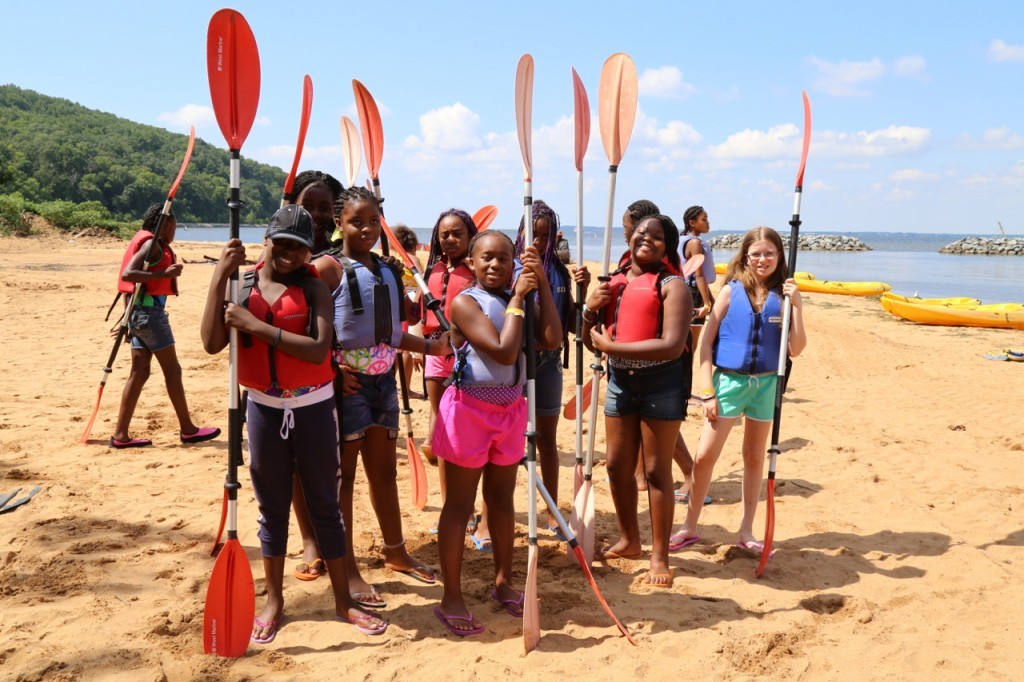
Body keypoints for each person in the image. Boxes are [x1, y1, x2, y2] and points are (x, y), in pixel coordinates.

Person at [200, 205, 387, 644]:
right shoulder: (241, 284)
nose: (289, 254)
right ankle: (275, 602)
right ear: (266, 240)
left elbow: (318, 349)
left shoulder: (314, 285)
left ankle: (343, 601)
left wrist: (256, 327)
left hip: (315, 408)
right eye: (282, 244)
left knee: (325, 505)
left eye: (300, 248)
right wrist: (217, 280)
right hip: (263, 408)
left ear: (310, 252)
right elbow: (211, 343)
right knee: (272, 508)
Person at [312, 186, 449, 609]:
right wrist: (332, 371)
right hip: (346, 388)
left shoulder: (388, 269)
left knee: (384, 473)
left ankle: (395, 551)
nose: (367, 229)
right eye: (357, 221)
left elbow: (392, 334)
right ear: (339, 225)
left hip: (383, 385)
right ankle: (347, 565)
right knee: (345, 479)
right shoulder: (326, 269)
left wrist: (434, 348)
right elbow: (310, 333)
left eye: (374, 221)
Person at [432, 231, 561, 635]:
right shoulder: (465, 303)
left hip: (510, 408)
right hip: (469, 409)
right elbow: (504, 351)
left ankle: (504, 580)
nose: (496, 266)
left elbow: (553, 339)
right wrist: (520, 300)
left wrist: (540, 286)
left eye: (505, 259)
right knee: (459, 504)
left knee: (502, 500)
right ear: (471, 262)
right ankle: (451, 595)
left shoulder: (516, 299)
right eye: (487, 258)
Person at [669, 226, 806, 557]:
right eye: (756, 254)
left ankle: (746, 531)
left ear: (779, 256)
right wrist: (707, 391)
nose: (762, 260)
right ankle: (689, 526)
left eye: (769, 254)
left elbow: (797, 348)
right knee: (704, 457)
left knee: (754, 457)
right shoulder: (731, 292)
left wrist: (797, 306)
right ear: (746, 256)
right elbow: (705, 346)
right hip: (729, 383)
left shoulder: (785, 296)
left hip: (766, 384)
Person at [583, 214, 691, 587]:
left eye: (657, 236)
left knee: (656, 471)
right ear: (629, 238)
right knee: (615, 465)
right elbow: (591, 339)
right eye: (641, 233)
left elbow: (673, 345)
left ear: (668, 245)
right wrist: (587, 309)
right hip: (620, 383)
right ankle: (630, 539)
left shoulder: (673, 284)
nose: (647, 239)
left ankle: (660, 556)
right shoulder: (612, 282)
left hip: (661, 383)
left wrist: (614, 347)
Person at [110, 203, 219, 449]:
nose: (175, 231)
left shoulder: (149, 243)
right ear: (166, 223)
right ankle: (188, 430)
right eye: (175, 225)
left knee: (140, 372)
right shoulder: (152, 244)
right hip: (150, 315)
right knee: (173, 370)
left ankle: (120, 434)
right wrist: (164, 275)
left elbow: (131, 285)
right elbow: (128, 275)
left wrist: (127, 319)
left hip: (139, 314)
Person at [512, 200, 589, 535]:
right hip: (518, 364)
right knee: (510, 441)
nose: (540, 243)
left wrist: (582, 293)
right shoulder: (513, 267)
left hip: (550, 365)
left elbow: (574, 326)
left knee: (547, 442)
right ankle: (490, 512)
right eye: (534, 235)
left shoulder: (557, 269)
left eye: (547, 236)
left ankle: (552, 509)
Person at [287, 169, 345, 580]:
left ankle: (334, 537)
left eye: (326, 207)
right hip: (291, 375)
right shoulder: (282, 255)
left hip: (340, 375)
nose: (317, 214)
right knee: (294, 462)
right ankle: (309, 539)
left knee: (330, 465)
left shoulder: (345, 258)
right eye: (308, 205)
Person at [417, 209, 488, 546]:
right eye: (444, 234)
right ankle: (452, 509)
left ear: (470, 235)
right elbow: (420, 312)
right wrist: (416, 345)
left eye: (457, 232)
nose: (450, 239)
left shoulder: (478, 271)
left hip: (469, 359)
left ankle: (481, 514)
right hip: (436, 358)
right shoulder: (432, 269)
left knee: (474, 435)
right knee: (442, 434)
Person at [674, 204, 717, 507]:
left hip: (688, 297)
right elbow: (698, 274)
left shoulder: (682, 240)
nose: (708, 222)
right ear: (693, 222)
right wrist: (711, 301)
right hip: (692, 298)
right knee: (689, 350)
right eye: (704, 218)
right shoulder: (694, 243)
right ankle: (683, 391)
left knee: (686, 350)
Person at [392, 223, 425, 400]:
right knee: (406, 350)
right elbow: (421, 280)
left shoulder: (399, 259)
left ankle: (396, 384)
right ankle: (406, 389)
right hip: (411, 304)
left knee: (399, 348)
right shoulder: (413, 258)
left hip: (399, 302)